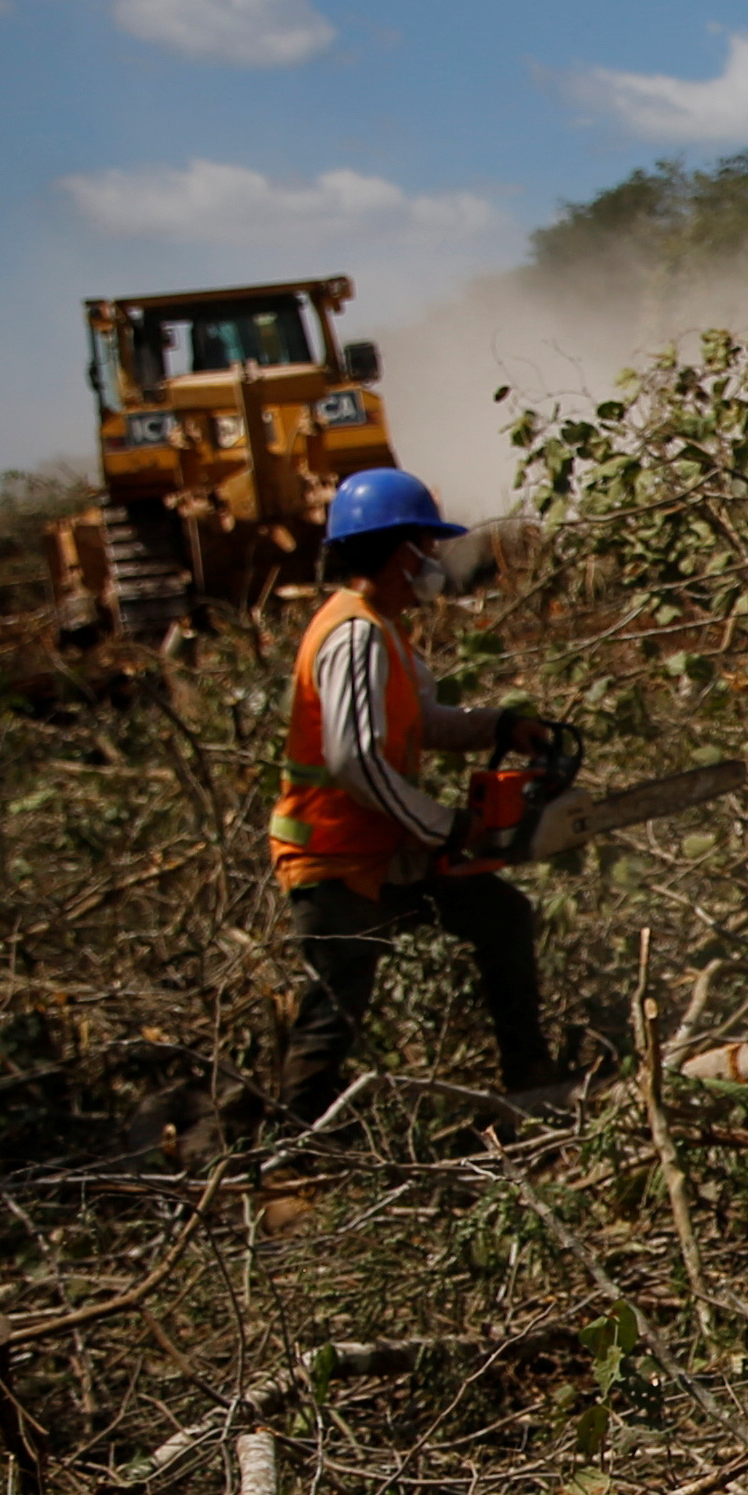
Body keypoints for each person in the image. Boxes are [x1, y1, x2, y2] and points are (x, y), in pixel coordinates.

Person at [267, 466, 554, 1123]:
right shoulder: (354, 635)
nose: (433, 559)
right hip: (336, 859)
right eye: (427, 545)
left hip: (382, 850)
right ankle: (293, 1149)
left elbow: (420, 721)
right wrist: (446, 826)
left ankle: (529, 1077)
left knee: (501, 915)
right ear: (403, 553)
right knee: (334, 1011)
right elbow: (354, 760)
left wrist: (499, 726)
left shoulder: (382, 630)